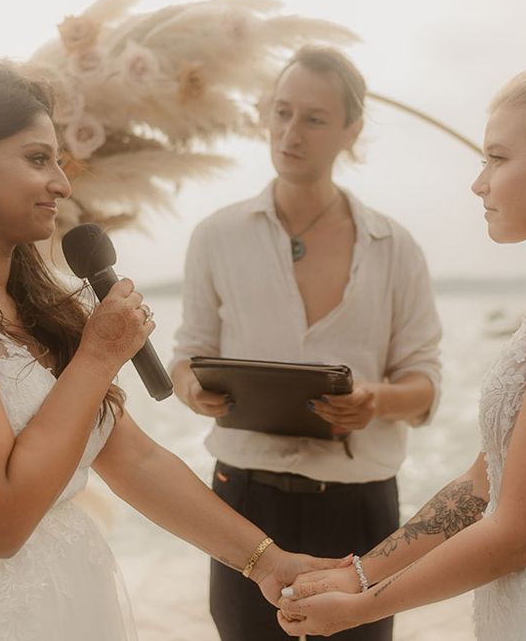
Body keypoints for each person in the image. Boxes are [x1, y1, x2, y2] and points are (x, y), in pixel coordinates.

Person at [0, 55, 343, 641]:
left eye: (59, 161)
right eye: (37, 159)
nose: (62, 184)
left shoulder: (41, 301)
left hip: (65, 602)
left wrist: (267, 562)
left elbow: (134, 460)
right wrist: (97, 356)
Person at [276, 64, 526, 641]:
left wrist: (363, 608)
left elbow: (523, 531)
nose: (479, 183)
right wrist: (359, 575)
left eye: (498, 158)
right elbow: (485, 484)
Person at [170, 45, 442, 641]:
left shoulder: (396, 247)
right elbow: (187, 354)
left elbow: (425, 386)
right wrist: (193, 388)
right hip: (241, 503)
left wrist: (375, 401)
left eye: (315, 118)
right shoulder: (215, 236)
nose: (291, 133)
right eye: (282, 112)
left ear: (352, 130)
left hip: (361, 506)